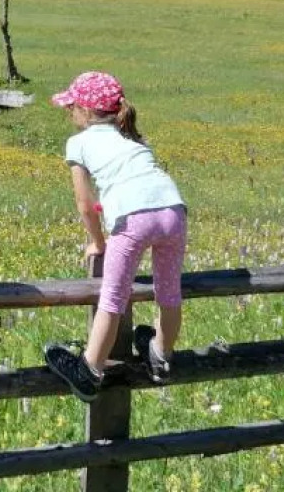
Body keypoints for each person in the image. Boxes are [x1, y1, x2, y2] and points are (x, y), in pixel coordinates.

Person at [42, 71, 186, 402]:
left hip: (132, 217)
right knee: (169, 291)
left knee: (112, 296)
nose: (70, 114)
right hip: (174, 210)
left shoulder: (78, 143)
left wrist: (97, 241)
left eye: (72, 107)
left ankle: (89, 370)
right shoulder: (134, 138)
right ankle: (161, 357)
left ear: (86, 112)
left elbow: (84, 203)